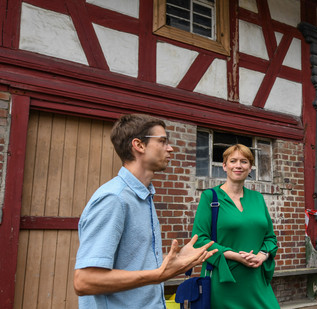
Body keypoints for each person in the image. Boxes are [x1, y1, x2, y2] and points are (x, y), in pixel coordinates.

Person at [74, 114, 216, 308]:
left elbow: (135, 264)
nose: (170, 148)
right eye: (162, 141)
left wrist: (175, 259)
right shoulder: (114, 199)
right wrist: (159, 274)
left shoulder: (143, 196)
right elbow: (84, 281)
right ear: (139, 145)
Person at [191, 144, 280, 308]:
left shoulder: (257, 198)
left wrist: (262, 255)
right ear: (224, 166)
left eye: (244, 161)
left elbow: (270, 238)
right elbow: (199, 240)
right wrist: (234, 255)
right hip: (224, 280)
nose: (238, 165)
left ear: (250, 167)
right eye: (233, 161)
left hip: (256, 279)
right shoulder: (210, 197)